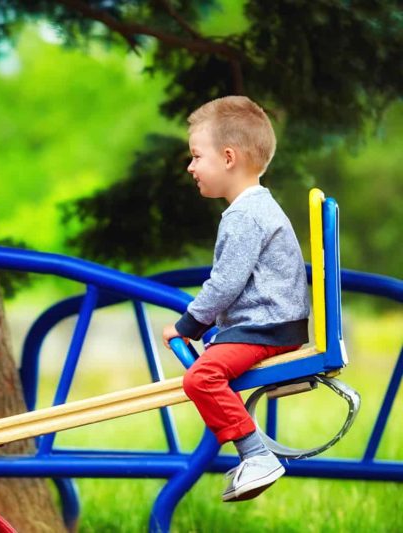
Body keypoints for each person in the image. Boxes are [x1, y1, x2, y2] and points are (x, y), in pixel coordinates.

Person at [162, 95, 310, 502]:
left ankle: (256, 456)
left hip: (266, 327)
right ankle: (253, 454)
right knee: (209, 366)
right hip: (269, 322)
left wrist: (188, 325)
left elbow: (224, 283)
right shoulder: (254, 208)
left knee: (202, 377)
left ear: (228, 157)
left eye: (196, 156)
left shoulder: (246, 216)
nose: (191, 167)